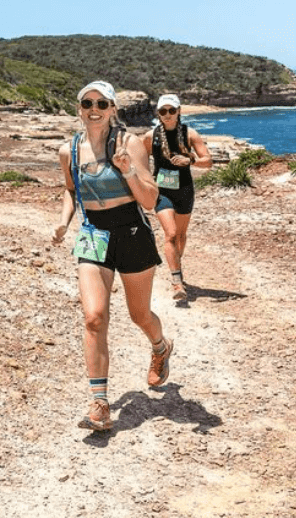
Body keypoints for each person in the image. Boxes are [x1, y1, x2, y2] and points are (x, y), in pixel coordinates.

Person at [52, 81, 173, 431]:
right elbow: (70, 191)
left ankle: (160, 346)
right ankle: (100, 403)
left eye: (102, 103)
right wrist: (63, 222)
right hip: (93, 235)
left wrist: (128, 171)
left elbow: (150, 201)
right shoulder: (68, 150)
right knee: (94, 318)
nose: (94, 108)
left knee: (139, 315)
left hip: (132, 233)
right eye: (87, 102)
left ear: (113, 109)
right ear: (78, 108)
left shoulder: (129, 143)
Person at [142, 94, 212, 301]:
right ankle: (176, 282)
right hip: (162, 192)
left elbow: (207, 160)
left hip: (184, 191)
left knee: (180, 235)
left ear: (179, 111)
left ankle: (176, 264)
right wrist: (147, 183)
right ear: (158, 114)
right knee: (170, 234)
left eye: (171, 110)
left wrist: (190, 161)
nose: (168, 115)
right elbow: (141, 158)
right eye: (163, 111)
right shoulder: (150, 136)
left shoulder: (190, 133)